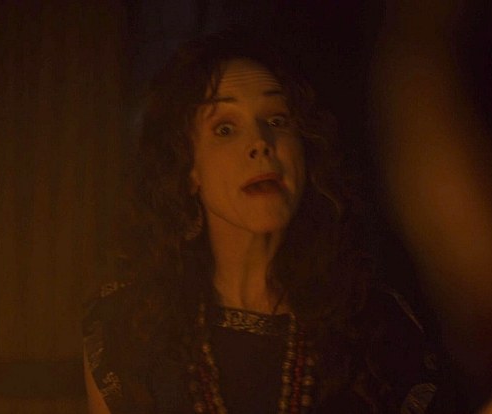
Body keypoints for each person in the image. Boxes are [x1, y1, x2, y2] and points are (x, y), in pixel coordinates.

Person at [83, 30, 447, 413]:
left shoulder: (380, 328)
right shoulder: (129, 325)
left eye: (277, 119)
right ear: (188, 169)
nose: (260, 142)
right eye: (225, 128)